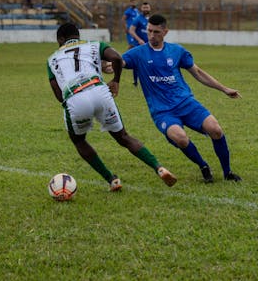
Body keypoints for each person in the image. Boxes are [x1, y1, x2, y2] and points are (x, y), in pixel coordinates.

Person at [47, 22, 177, 191]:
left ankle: (111, 179)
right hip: (100, 91)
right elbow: (116, 58)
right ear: (78, 36)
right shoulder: (95, 45)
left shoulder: (52, 59)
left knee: (79, 140)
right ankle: (159, 168)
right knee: (123, 137)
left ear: (60, 39)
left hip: (75, 96)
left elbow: (58, 94)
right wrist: (116, 80)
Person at [122, 14, 242, 183]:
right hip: (162, 110)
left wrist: (223, 89)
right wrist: (106, 64)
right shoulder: (138, 53)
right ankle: (203, 166)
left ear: (165, 32)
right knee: (180, 138)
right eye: (149, 31)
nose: (151, 35)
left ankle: (227, 173)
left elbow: (198, 73)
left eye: (156, 32)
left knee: (215, 129)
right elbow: (117, 63)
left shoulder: (177, 51)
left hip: (185, 102)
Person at [128, 1, 151, 85]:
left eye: (147, 7)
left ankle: (149, 79)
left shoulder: (151, 19)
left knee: (150, 61)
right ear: (141, 9)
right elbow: (131, 30)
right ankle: (135, 81)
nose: (146, 9)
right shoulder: (138, 18)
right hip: (139, 45)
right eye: (144, 8)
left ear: (150, 8)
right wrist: (139, 40)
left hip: (149, 44)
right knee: (137, 62)